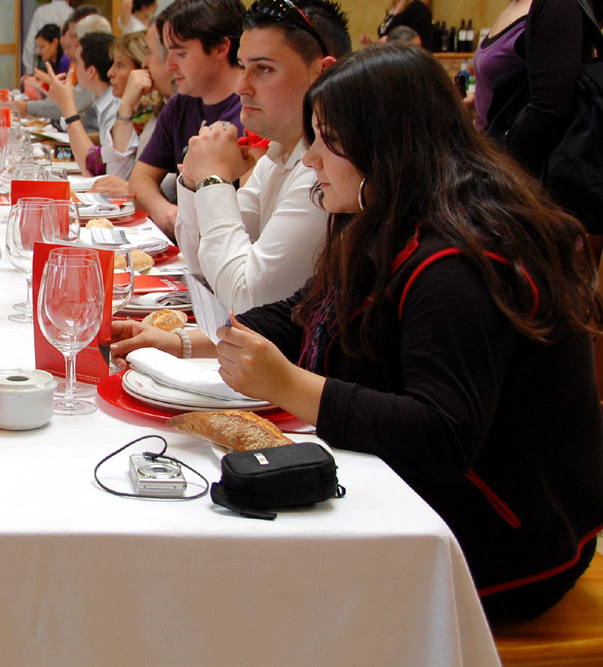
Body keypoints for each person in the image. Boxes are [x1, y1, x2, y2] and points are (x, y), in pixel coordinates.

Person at [116, 42, 603, 621]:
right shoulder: (390, 215)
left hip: (500, 545)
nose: (313, 159)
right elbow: (309, 309)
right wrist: (182, 341)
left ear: (386, 147)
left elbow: (440, 434)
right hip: (428, 501)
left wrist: (289, 384)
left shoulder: (458, 262)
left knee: (241, 585)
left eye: (329, 141)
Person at [176, 0, 350, 312]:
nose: (242, 86)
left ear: (321, 73)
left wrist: (213, 180)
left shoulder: (326, 171)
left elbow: (247, 298)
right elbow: (202, 265)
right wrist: (193, 177)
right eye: (242, 67)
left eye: (264, 69)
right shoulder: (279, 153)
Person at [476, 0, 603, 235]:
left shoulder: (556, 0)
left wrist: (494, 173)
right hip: (508, 180)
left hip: (527, 192)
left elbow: (549, 108)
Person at [128, 0, 246, 239]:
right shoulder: (180, 103)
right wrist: (164, 211)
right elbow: (140, 177)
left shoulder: (251, 110)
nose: (169, 65)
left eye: (181, 53)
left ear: (219, 48)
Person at [38, 32, 117, 175]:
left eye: (76, 62)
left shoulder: (115, 105)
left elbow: (93, 169)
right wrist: (62, 148)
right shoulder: (104, 99)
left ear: (91, 71)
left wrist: (66, 105)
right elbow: (106, 142)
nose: (72, 68)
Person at [96, 30, 149, 179]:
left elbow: (118, 176)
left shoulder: (155, 115)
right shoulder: (135, 111)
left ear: (142, 70)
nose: (110, 73)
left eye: (120, 65)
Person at [21, 0, 75, 75]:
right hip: (66, 59)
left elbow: (30, 42)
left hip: (44, 61)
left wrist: (29, 70)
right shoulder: (72, 14)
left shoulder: (41, 11)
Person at [19, 23, 69, 98]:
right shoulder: (51, 62)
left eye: (42, 47)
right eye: (38, 47)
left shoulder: (65, 61)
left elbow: (68, 92)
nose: (39, 51)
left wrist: (47, 79)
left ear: (55, 43)